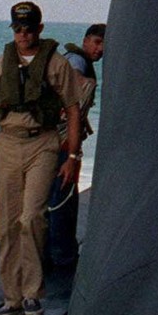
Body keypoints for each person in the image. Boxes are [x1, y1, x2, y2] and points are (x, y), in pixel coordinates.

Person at [0, 1, 83, 315]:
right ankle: (12, 298)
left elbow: (73, 109)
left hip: (42, 144)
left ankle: (32, 292)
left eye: (29, 28)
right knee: (8, 222)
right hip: (8, 144)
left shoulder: (56, 65)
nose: (23, 34)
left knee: (31, 216)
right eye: (18, 29)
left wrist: (72, 156)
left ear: (40, 29)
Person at [45, 22, 105, 270]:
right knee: (62, 195)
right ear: (85, 40)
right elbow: (71, 104)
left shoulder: (74, 60)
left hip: (63, 137)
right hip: (62, 139)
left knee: (61, 195)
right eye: (97, 43)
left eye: (104, 46)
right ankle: (60, 254)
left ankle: (55, 250)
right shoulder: (77, 63)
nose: (100, 50)